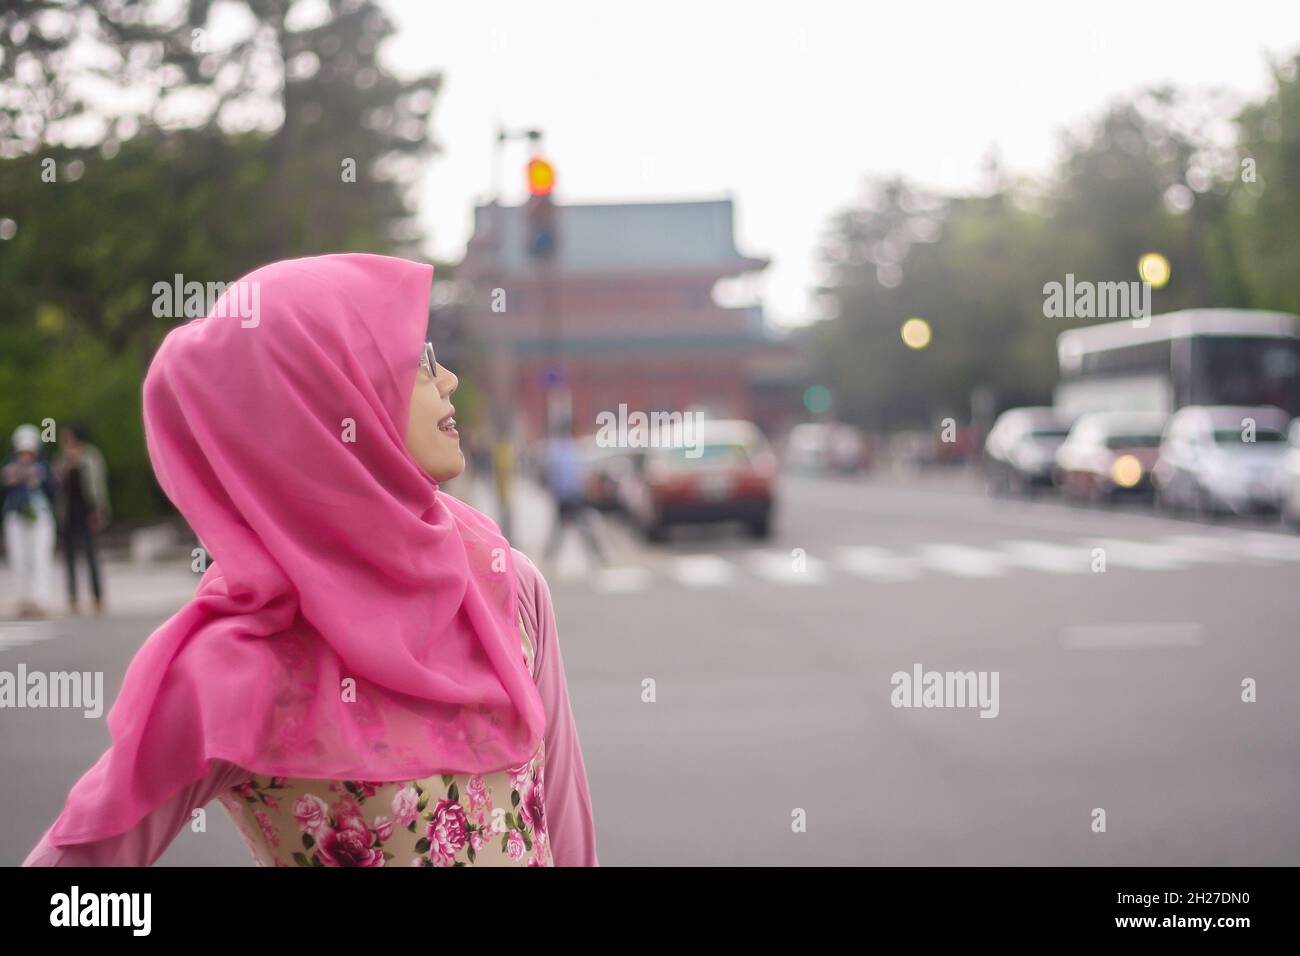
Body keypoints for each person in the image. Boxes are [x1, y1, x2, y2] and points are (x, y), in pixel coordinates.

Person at [22, 253, 598, 867]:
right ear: (326, 398)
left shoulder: (505, 586)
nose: (448, 378)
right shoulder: (236, 664)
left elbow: (569, 840)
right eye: (418, 359)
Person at [51, 422, 111, 615]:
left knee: (91, 555)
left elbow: (99, 485)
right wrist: (66, 465)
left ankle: (98, 597)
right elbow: (54, 483)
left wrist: (100, 510)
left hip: (87, 511)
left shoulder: (91, 456)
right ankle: (73, 598)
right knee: (68, 558)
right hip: (68, 513)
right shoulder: (61, 459)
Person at [2, 423, 58, 619]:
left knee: (40, 557)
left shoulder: (44, 468)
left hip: (39, 516)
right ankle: (23, 599)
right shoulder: (8, 468)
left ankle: (40, 599)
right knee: (19, 558)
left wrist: (39, 480)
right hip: (16, 516)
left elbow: (54, 492)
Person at [541, 417, 608, 566]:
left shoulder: (557, 450)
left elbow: (552, 475)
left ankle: (549, 559)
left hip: (565, 496)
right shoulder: (574, 450)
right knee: (584, 529)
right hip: (574, 496)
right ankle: (598, 557)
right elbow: (578, 475)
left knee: (561, 531)